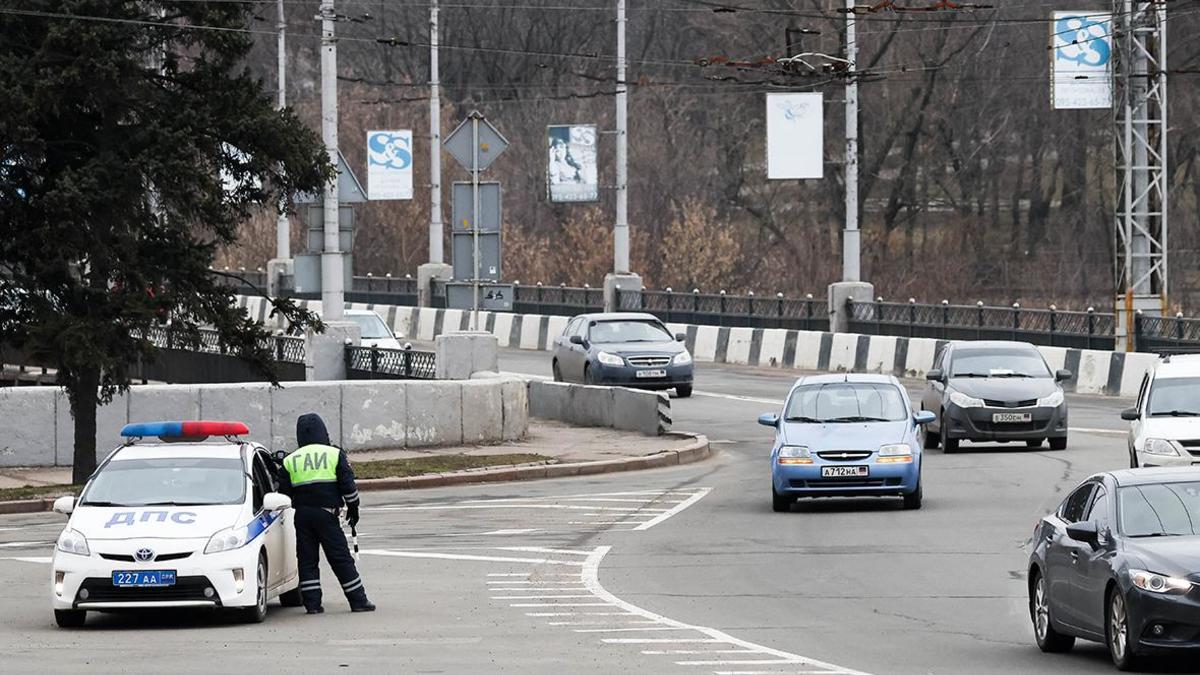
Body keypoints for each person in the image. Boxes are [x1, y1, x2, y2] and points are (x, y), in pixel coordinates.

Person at [278, 413, 375, 614]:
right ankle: (358, 601)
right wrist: (354, 507)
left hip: (302, 516)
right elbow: (347, 485)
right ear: (322, 431)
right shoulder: (333, 454)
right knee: (340, 559)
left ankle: (312, 605)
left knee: (307, 560)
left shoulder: (290, 460)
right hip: (327, 514)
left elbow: (284, 495)